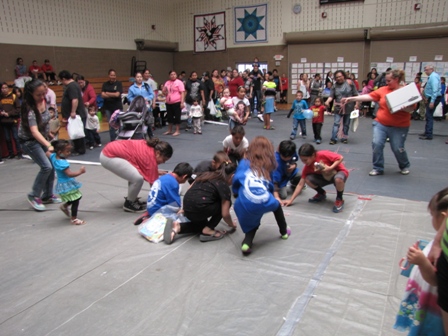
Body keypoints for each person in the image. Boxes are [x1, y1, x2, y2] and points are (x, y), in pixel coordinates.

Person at [394, 187, 448, 335]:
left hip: (433, 309)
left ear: (443, 217)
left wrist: (422, 262)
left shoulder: (443, 251)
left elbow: (435, 280)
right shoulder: (441, 241)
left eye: (432, 215)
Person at [341, 69, 413, 176]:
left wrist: (404, 108)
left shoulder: (406, 91)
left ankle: (404, 164)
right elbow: (369, 96)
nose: (386, 83)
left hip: (399, 126)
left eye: (389, 81)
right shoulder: (383, 89)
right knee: (377, 144)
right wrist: (352, 98)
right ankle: (378, 167)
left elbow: (412, 109)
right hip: (381, 123)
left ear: (396, 79)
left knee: (397, 148)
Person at [232, 136, 291, 255]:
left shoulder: (244, 163)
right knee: (275, 206)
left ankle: (246, 243)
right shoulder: (268, 165)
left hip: (243, 201)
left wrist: (237, 193)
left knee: (252, 221)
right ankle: (284, 231)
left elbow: (236, 179)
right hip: (263, 198)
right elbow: (269, 185)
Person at [164, 162, 237, 244]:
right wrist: (232, 225)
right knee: (226, 203)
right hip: (199, 209)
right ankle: (208, 229)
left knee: (201, 225)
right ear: (232, 176)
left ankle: (178, 227)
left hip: (187, 206)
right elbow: (225, 214)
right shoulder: (224, 186)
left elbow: (190, 188)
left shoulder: (207, 175)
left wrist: (184, 208)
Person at [18, 79, 61, 211]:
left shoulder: (43, 101)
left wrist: (48, 133)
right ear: (31, 94)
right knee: (46, 167)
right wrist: (48, 144)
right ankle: (33, 195)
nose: (42, 97)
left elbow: (44, 121)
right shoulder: (29, 109)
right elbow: (34, 131)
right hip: (29, 141)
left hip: (41, 138)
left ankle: (47, 195)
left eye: (44, 93)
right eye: (39, 94)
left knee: (52, 165)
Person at [100, 138, 173, 213]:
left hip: (111, 150)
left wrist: (154, 171)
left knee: (133, 175)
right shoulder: (149, 158)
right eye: (164, 159)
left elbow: (141, 162)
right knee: (137, 178)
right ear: (157, 153)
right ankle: (129, 204)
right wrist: (163, 201)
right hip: (109, 156)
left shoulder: (149, 148)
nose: (163, 162)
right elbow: (154, 185)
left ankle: (132, 199)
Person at [285, 143, 349, 213]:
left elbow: (340, 157)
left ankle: (339, 199)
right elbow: (300, 184)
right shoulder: (307, 167)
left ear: (313, 155)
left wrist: (330, 168)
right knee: (307, 179)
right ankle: (321, 193)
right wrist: (291, 200)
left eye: (305, 160)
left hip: (338, 172)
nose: (304, 162)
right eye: (302, 160)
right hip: (324, 177)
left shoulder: (323, 154)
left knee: (338, 179)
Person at [48, 140, 86, 225]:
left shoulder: (53, 156)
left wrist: (50, 149)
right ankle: (74, 218)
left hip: (62, 183)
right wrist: (80, 171)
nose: (69, 153)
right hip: (67, 184)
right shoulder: (63, 163)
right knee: (76, 200)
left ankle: (65, 206)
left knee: (76, 197)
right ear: (60, 151)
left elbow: (47, 153)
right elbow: (69, 174)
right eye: (67, 151)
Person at [324, 70, 359, 145]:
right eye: (337, 77)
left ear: (343, 76)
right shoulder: (334, 86)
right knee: (336, 123)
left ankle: (344, 137)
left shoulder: (350, 83)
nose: (338, 78)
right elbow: (331, 96)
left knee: (346, 124)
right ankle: (334, 138)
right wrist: (327, 101)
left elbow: (355, 94)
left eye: (340, 76)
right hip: (338, 107)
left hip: (349, 107)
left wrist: (356, 104)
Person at [59, 70, 86, 156]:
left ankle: (80, 149)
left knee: (77, 132)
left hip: (76, 114)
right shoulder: (71, 86)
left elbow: (75, 99)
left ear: (63, 79)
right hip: (74, 114)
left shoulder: (72, 86)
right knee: (74, 132)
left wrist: (73, 111)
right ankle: (77, 148)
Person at [420, 64, 442, 140]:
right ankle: (427, 132)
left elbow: (435, 90)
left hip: (434, 98)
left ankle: (428, 134)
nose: (425, 71)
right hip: (430, 98)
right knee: (428, 115)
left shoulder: (433, 77)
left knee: (429, 116)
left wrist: (432, 102)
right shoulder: (432, 77)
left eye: (426, 69)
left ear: (431, 69)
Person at [0, 82, 22, 159]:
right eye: (2, 88)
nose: (4, 89)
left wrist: (9, 114)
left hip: (13, 120)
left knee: (16, 137)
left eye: (5, 87)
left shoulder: (13, 96)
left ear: (8, 88)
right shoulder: (0, 97)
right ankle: (11, 153)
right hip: (3, 121)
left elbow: (18, 109)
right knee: (7, 138)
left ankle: (19, 153)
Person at [101, 69, 123, 141]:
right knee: (111, 125)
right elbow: (102, 95)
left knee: (118, 124)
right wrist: (112, 94)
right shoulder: (105, 84)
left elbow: (117, 95)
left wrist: (107, 93)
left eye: (114, 75)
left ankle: (119, 139)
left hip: (117, 107)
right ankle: (112, 140)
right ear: (109, 76)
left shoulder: (118, 84)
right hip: (108, 107)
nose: (113, 76)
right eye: (111, 75)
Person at [162, 70, 185, 137]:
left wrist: (182, 102)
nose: (173, 75)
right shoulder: (167, 82)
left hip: (177, 102)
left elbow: (182, 93)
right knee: (169, 117)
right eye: (171, 74)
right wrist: (164, 92)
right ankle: (169, 130)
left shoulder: (179, 82)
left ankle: (177, 130)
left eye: (174, 74)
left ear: (176, 75)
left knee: (177, 116)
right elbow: (164, 92)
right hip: (168, 102)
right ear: (169, 76)